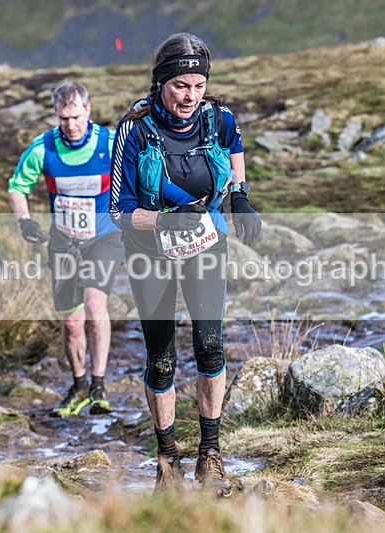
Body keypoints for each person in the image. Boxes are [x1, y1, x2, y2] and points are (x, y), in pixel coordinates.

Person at [110, 33, 261, 495]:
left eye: (198, 85)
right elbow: (118, 210)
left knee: (211, 346)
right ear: (160, 83)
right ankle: (167, 463)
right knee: (161, 358)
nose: (190, 96)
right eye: (180, 86)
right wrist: (166, 220)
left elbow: (234, 149)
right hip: (150, 251)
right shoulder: (133, 129)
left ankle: (210, 457)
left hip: (205, 248)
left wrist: (239, 197)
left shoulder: (219, 119)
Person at [8, 82, 123, 417]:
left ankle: (100, 385)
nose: (70, 125)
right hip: (63, 241)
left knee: (94, 302)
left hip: (103, 237)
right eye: (63, 119)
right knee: (72, 322)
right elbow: (17, 187)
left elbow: (139, 178)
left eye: (75, 117)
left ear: (88, 110)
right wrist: (25, 221)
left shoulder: (111, 143)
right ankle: (79, 385)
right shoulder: (44, 148)